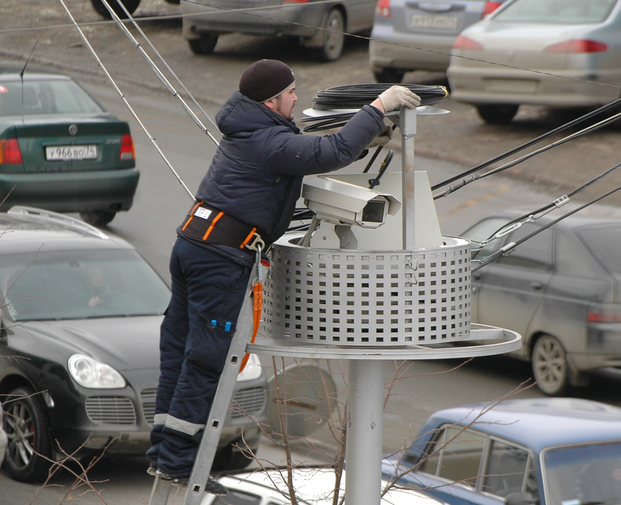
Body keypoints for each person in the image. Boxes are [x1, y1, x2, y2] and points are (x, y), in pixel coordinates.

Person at [146, 59, 420, 496]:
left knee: (178, 351)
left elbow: (308, 151)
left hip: (194, 243)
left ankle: (163, 454)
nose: (297, 97)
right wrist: (376, 108)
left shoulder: (253, 130)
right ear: (272, 100)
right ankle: (178, 461)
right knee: (205, 361)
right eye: (292, 92)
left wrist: (367, 137)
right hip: (220, 257)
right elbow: (325, 152)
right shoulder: (268, 140)